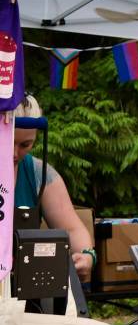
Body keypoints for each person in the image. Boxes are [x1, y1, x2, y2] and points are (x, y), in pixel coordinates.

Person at [13, 95, 94, 283]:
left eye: (25, 145)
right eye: (8, 142)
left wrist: (86, 255)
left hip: (22, 288)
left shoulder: (38, 173)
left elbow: (72, 229)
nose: (14, 153)